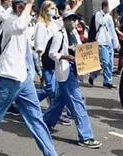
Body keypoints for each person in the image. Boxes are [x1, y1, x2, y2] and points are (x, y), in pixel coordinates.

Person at [0, 0, 57, 156]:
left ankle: (50, 153)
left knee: (36, 117)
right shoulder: (10, 21)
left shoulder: (26, 22)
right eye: (19, 5)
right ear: (13, 6)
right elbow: (19, 26)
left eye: (24, 4)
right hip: (9, 77)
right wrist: (30, 4)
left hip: (24, 78)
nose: (22, 7)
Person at [43, 11, 102, 149]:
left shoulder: (75, 34)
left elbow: (80, 49)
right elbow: (52, 53)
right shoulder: (59, 34)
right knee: (77, 104)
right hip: (65, 70)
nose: (73, 22)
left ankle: (45, 123)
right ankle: (85, 137)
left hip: (74, 71)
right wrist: (64, 56)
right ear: (64, 20)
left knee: (59, 101)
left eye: (75, 19)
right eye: (70, 19)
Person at [89, 1, 119, 88]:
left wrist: (116, 42)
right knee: (104, 62)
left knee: (110, 63)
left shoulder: (109, 17)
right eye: (109, 7)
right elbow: (101, 22)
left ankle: (107, 81)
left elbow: (112, 30)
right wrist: (109, 16)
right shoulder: (97, 15)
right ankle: (92, 75)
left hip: (109, 42)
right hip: (100, 42)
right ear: (104, 7)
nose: (110, 9)